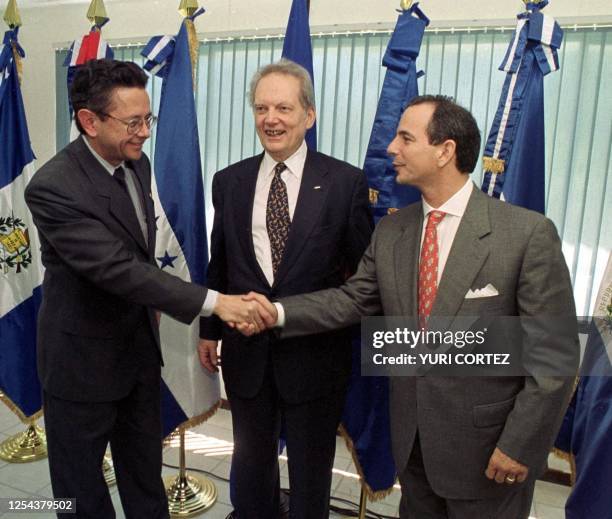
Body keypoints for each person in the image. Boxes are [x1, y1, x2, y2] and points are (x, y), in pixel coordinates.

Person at [245, 95, 579, 518]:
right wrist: (276, 312)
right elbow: (352, 299)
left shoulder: (526, 235)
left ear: (445, 151)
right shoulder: (392, 231)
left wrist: (519, 445)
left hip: (489, 453)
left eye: (405, 138)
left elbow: (554, 357)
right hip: (413, 446)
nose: (391, 149)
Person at [24, 59, 267, 519]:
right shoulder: (53, 187)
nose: (145, 132)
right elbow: (119, 270)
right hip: (80, 365)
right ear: (89, 121)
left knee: (144, 478)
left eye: (147, 119)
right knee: (78, 492)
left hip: (136, 355)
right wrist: (217, 303)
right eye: (133, 122)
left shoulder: (135, 164)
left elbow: (143, 251)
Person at [197, 59, 373, 518]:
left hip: (315, 357)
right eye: (261, 108)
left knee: (312, 471)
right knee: (251, 466)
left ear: (308, 116)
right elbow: (222, 262)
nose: (270, 119)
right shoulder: (229, 181)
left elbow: (361, 279)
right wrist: (209, 329)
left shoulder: (345, 183)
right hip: (246, 354)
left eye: (283, 108)